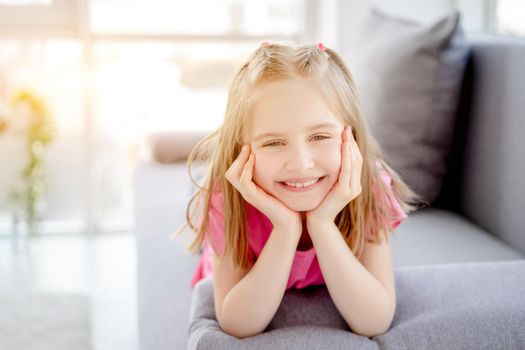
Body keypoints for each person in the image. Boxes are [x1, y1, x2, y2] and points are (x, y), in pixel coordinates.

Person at [175, 42, 423, 339]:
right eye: (274, 142)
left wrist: (321, 223)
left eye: (319, 136)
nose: (301, 164)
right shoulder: (226, 199)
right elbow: (238, 324)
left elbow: (374, 321)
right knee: (206, 187)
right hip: (247, 199)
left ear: (352, 136)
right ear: (240, 149)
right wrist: (285, 228)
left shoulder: (368, 186)